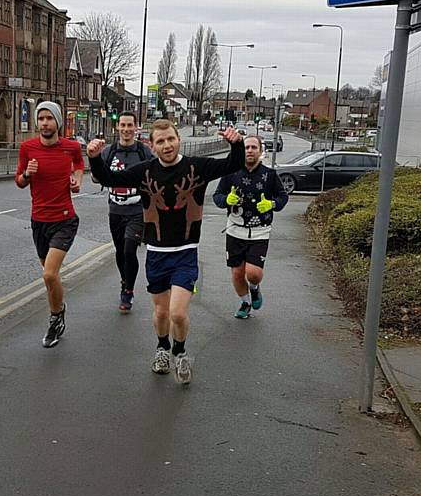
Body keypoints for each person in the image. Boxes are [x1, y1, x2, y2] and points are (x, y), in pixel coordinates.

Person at [88, 119, 244, 384]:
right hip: (156, 253)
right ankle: (162, 348)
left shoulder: (197, 166)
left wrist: (236, 143)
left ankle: (180, 352)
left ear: (178, 139)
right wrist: (94, 158)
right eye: (160, 141)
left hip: (185, 252)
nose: (167, 145)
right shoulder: (144, 171)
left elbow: (233, 164)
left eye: (170, 139)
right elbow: (109, 178)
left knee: (178, 313)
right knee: (161, 313)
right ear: (153, 145)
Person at [15, 101, 84, 347]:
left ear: (58, 122)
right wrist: (27, 174)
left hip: (64, 220)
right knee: (50, 279)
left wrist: (76, 179)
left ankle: (55, 319)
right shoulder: (27, 148)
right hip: (39, 221)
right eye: (41, 119)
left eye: (49, 118)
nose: (45, 123)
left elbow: (79, 164)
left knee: (49, 273)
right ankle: (59, 307)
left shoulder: (71, 147)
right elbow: (19, 181)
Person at [212, 135, 288, 319]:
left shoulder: (269, 175)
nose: (250, 151)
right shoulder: (231, 173)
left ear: (261, 152)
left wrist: (272, 204)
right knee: (238, 273)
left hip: (260, 231)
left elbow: (282, 197)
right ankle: (245, 302)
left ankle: (254, 288)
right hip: (235, 229)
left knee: (252, 273)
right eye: (246, 147)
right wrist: (226, 201)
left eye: (254, 147)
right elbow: (217, 196)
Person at [93, 111, 153, 313]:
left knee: (129, 249)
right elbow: (96, 177)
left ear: (137, 128)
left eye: (130, 125)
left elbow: (155, 173)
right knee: (120, 252)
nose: (127, 129)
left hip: (137, 210)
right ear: (117, 127)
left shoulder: (144, 152)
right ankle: (124, 280)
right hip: (115, 210)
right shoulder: (109, 152)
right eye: (123, 125)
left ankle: (128, 290)